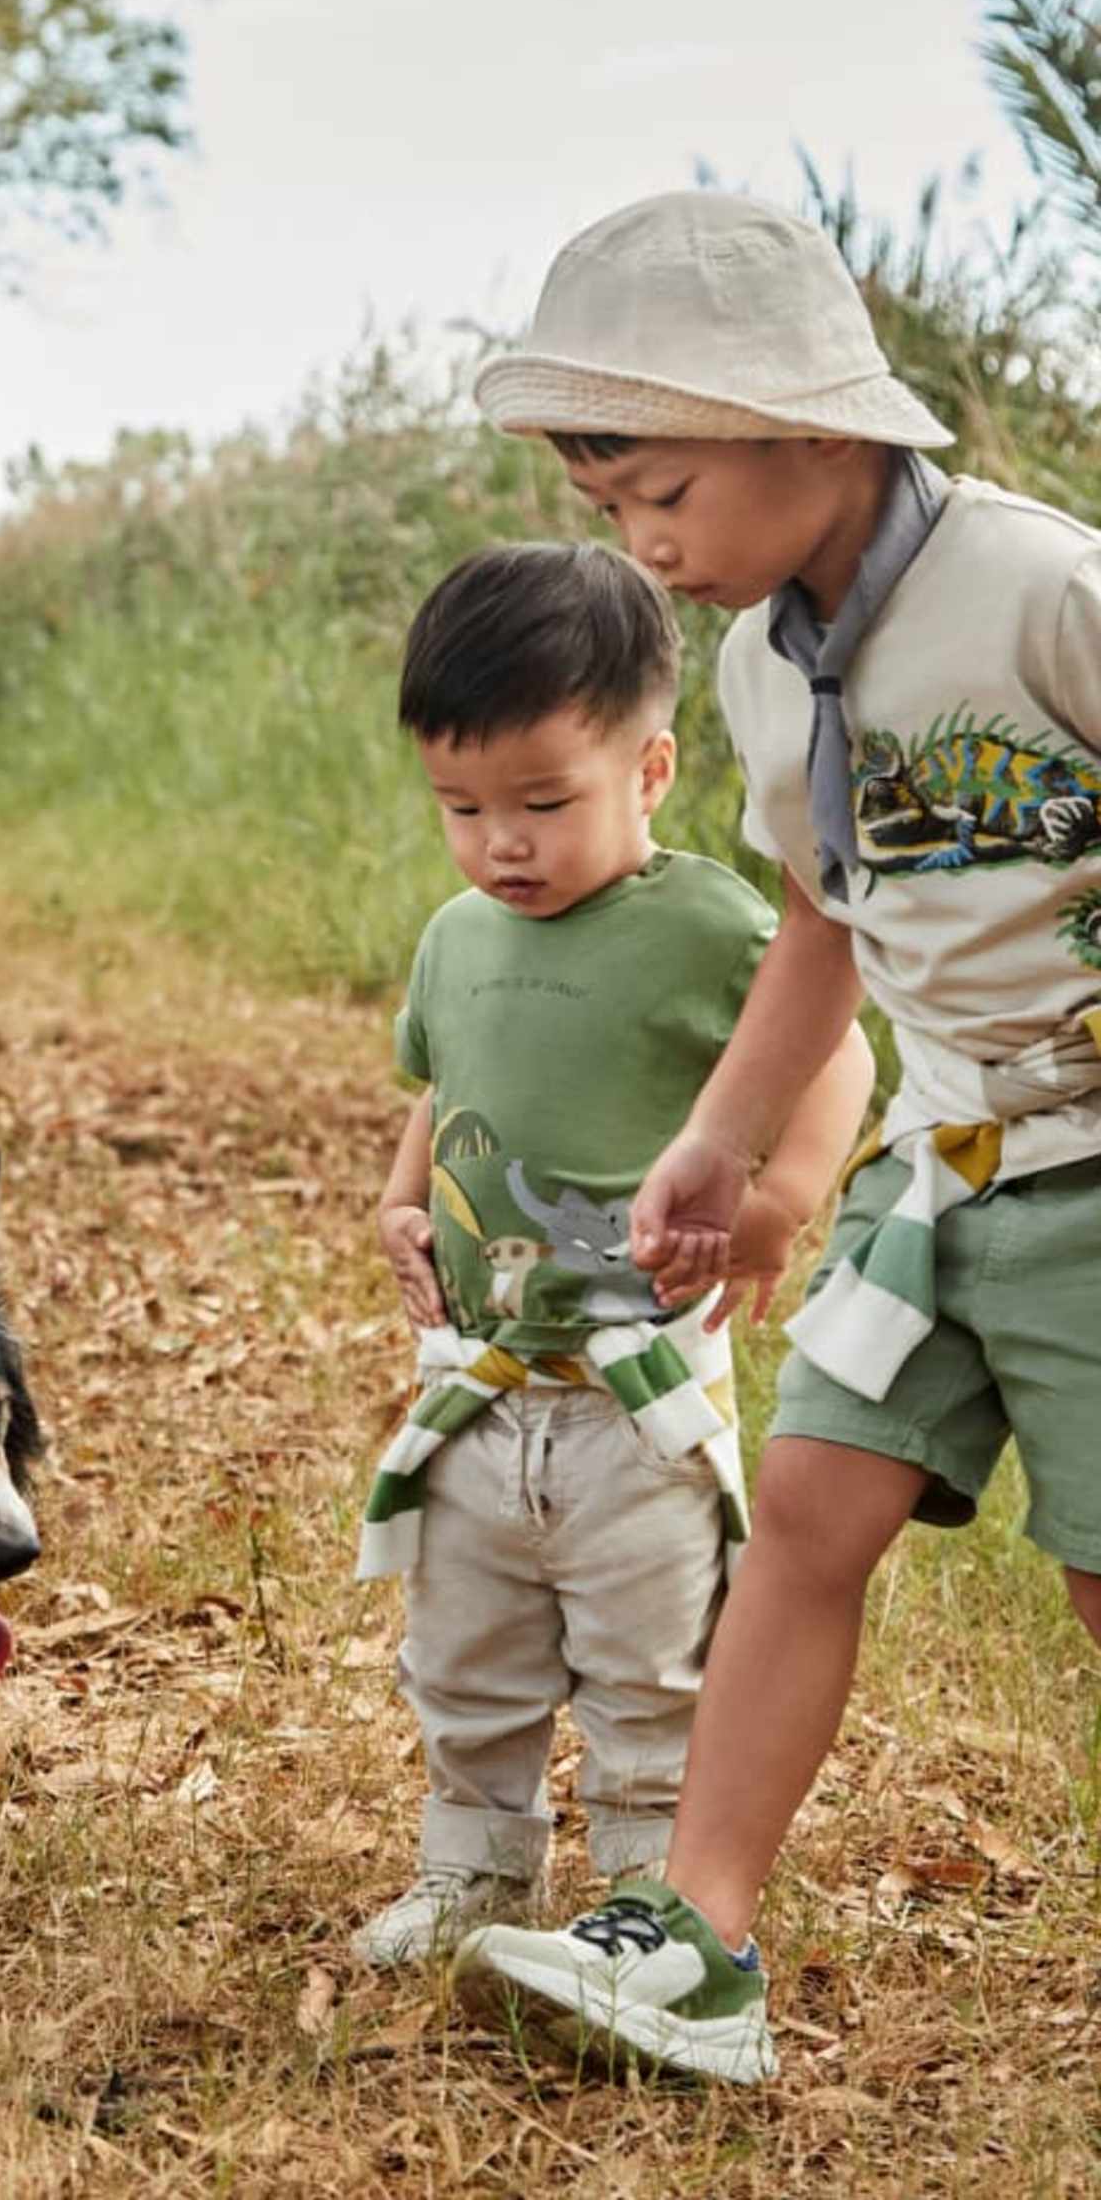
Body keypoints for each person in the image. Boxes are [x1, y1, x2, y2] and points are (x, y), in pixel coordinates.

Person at [459, 189, 1101, 2085]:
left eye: (662, 495)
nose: (645, 549)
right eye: (612, 515)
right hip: (944, 1166)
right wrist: (727, 1139)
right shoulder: (762, 670)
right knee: (807, 1513)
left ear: (811, 426)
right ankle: (700, 1936)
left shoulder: (1042, 592)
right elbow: (827, 916)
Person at [351, 537, 873, 1985]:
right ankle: (472, 1869)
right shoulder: (457, 938)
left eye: (541, 801)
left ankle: (647, 1885)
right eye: (459, 806)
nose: (499, 842)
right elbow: (438, 1090)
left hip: (636, 1392)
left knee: (652, 1656)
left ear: (648, 772)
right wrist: (403, 1205)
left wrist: (785, 1196)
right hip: (474, 1382)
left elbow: (836, 1046)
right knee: (465, 1647)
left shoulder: (704, 924)